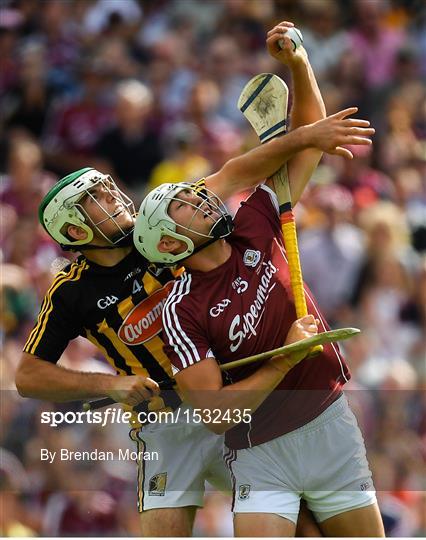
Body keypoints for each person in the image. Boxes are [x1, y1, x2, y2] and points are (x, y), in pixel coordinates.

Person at [15, 21, 374, 536]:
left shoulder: (163, 223)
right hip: (167, 417)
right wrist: (111, 384)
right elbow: (27, 376)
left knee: (309, 522)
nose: (115, 199)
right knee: (164, 525)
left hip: (235, 395)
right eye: (96, 200)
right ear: (73, 229)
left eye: (109, 189)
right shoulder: (71, 291)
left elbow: (235, 171)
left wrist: (306, 135)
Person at [134, 23, 383, 537]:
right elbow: (216, 416)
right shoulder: (180, 310)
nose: (203, 199)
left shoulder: (254, 222)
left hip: (327, 417)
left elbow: (308, 143)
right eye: (187, 206)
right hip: (258, 449)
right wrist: (286, 356)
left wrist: (300, 63)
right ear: (175, 245)